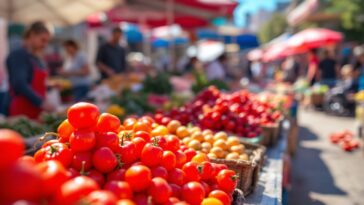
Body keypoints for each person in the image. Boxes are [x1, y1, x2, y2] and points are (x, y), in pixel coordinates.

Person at [6, 21, 54, 119]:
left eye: (47, 41)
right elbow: (19, 83)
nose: (45, 45)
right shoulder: (19, 55)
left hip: (36, 111)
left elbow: (33, 82)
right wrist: (41, 102)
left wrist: (50, 86)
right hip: (22, 112)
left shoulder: (35, 58)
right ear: (32, 35)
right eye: (43, 40)